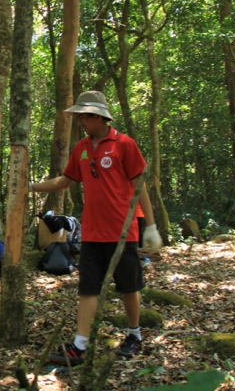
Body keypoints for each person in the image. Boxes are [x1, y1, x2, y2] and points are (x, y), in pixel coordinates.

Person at [31, 91, 162, 364]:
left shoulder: (124, 144)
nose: (80, 121)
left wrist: (150, 226)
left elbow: (141, 185)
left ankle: (134, 334)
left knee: (128, 286)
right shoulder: (81, 148)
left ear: (99, 116)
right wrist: (29, 186)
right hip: (92, 232)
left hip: (122, 231)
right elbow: (63, 181)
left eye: (84, 116)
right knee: (88, 288)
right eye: (78, 116)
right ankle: (80, 346)